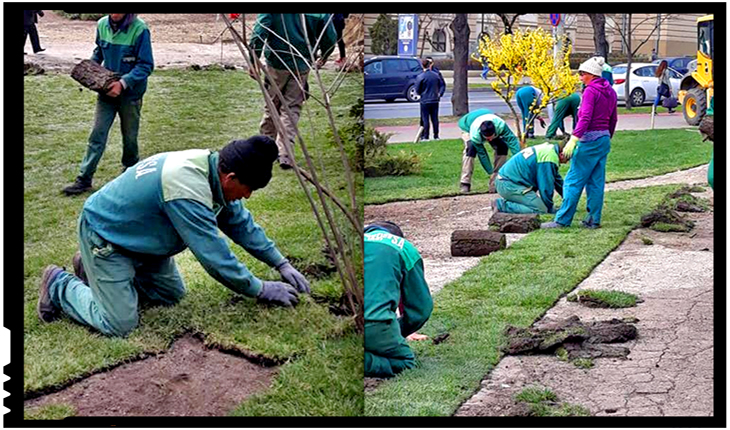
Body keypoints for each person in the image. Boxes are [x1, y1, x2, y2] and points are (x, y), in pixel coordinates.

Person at [38, 136, 310, 337]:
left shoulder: (214, 167)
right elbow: (215, 257)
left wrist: (279, 262)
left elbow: (240, 223)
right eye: (248, 188)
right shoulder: (186, 187)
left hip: (142, 241)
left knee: (171, 296)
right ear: (231, 177)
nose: (248, 196)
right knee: (119, 324)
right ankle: (59, 284)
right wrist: (260, 289)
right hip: (107, 236)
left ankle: (90, 268)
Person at [63, 14, 154, 195]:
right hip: (106, 92)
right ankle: (84, 178)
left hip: (131, 94)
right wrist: (90, 69)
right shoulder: (102, 24)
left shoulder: (140, 29)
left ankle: (130, 171)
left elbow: (146, 65)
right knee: (97, 133)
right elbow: (99, 51)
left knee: (129, 136)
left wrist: (123, 83)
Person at [250, 13, 337, 169]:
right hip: (301, 64)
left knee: (272, 105)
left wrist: (254, 60)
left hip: (276, 63)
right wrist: (324, 55)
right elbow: (330, 37)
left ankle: (265, 148)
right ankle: (285, 153)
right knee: (291, 108)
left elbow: (259, 31)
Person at [542, 56, 617, 230]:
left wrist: (574, 138)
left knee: (573, 181)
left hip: (589, 140)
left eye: (582, 74)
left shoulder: (590, 91)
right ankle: (593, 219)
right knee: (596, 181)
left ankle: (562, 220)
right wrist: (607, 136)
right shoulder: (610, 91)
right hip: (603, 139)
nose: (580, 77)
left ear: (591, 74)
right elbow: (613, 118)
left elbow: (585, 118)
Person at [364, 221, 432, 378]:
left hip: (339, 322)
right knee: (405, 362)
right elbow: (421, 309)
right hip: (375, 323)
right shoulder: (403, 247)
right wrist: (399, 330)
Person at [457, 109, 521, 194]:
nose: (490, 140)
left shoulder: (500, 125)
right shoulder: (475, 134)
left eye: (491, 137)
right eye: (487, 138)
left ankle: (496, 181)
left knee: (502, 147)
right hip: (467, 125)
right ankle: (465, 182)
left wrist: (520, 158)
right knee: (471, 148)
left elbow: (512, 141)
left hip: (487, 118)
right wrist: (490, 171)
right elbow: (482, 154)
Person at [493, 142, 565, 214]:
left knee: (539, 205)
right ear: (562, 154)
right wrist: (549, 209)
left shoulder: (549, 150)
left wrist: (568, 198)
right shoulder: (549, 158)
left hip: (508, 182)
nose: (567, 162)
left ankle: (515, 201)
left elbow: (557, 180)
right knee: (540, 209)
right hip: (508, 185)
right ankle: (501, 205)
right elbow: (545, 188)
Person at [415, 57, 445, 141]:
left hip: (425, 100)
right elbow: (441, 85)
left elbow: (417, 89)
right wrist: (439, 94)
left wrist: (421, 93)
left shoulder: (420, 76)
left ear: (422, 66)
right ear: (429, 65)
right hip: (435, 99)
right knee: (435, 118)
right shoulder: (436, 75)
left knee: (425, 118)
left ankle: (426, 136)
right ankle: (436, 135)